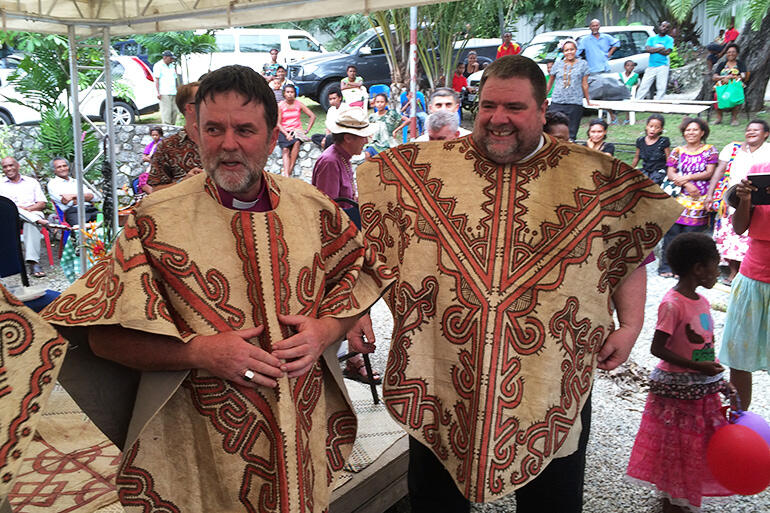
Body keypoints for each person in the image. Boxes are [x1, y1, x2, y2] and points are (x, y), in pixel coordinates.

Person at [41, 64, 393, 513]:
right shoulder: (153, 221)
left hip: (302, 429)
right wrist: (198, 352)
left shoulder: (314, 208)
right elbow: (100, 337)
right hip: (204, 444)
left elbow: (362, 274)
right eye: (214, 128)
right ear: (196, 132)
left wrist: (327, 330)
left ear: (271, 139)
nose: (228, 144)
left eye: (245, 129)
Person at [355, 55, 680, 513]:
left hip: (550, 374)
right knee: (435, 498)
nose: (498, 119)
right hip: (443, 369)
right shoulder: (419, 171)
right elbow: (378, 240)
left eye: (514, 107)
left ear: (542, 109)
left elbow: (627, 251)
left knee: (551, 502)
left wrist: (630, 325)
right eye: (488, 106)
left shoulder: (593, 177)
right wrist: (358, 309)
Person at [626, 232, 733, 513]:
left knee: (694, 446)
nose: (717, 270)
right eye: (715, 264)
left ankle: (682, 495)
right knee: (676, 445)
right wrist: (699, 368)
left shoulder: (702, 302)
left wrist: (719, 381)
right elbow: (657, 348)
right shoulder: (672, 304)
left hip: (701, 388)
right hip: (677, 392)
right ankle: (672, 500)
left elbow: (704, 345)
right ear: (698, 268)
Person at [718, 162, 770, 411]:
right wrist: (745, 198)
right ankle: (738, 420)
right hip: (751, 280)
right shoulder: (761, 170)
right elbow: (739, 228)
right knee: (738, 357)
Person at [705, 120, 770, 284]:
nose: (751, 132)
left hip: (762, 201)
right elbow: (720, 171)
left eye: (756, 130)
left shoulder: (768, 151)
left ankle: (743, 271)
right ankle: (734, 272)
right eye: (749, 129)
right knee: (731, 235)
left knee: (751, 237)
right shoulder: (733, 149)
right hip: (734, 198)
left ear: (766, 134)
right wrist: (710, 193)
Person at [658, 117, 718, 278]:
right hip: (679, 197)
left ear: (702, 132)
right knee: (672, 233)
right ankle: (666, 266)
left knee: (691, 237)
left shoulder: (710, 150)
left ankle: (683, 269)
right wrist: (687, 184)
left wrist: (687, 178)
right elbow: (671, 173)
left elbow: (709, 172)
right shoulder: (677, 151)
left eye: (695, 130)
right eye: (687, 130)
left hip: (699, 200)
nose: (690, 133)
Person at [147, 82, 203, 189]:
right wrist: (183, 182)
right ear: (190, 108)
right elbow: (155, 191)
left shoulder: (223, 141)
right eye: (205, 102)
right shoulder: (167, 146)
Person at [0, 157, 48, 278]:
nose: (8, 169)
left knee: (31, 222)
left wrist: (27, 210)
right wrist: (16, 209)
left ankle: (33, 262)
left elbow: (42, 203)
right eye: (5, 167)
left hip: (32, 212)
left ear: (18, 166)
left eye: (11, 165)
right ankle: (38, 220)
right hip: (8, 218)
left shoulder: (31, 182)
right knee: (12, 209)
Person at [546, 38, 593, 141]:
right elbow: (550, 82)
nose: (569, 52)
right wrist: (543, 97)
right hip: (557, 102)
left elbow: (584, 84)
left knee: (571, 134)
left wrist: (588, 101)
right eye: (566, 50)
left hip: (574, 103)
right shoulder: (557, 64)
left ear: (576, 50)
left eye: (572, 49)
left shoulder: (583, 64)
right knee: (552, 131)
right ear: (563, 52)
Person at [277, 83, 315, 177]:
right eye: (288, 92)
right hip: (284, 130)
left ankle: (290, 170)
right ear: (284, 94)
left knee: (297, 143)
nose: (290, 94)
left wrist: (307, 130)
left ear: (295, 93)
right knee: (285, 149)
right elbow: (277, 123)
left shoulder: (299, 104)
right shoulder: (280, 105)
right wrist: (286, 134)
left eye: (292, 92)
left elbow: (312, 116)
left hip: (296, 130)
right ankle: (286, 173)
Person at [46, 157, 99, 225]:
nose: (63, 169)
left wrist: (73, 196)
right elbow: (67, 202)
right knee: (82, 231)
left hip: (91, 209)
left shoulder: (76, 181)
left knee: (109, 223)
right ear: (54, 170)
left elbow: (95, 197)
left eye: (64, 166)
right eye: (59, 167)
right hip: (74, 212)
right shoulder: (53, 184)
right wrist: (87, 198)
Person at [636, 21, 674, 101]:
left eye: (667, 27)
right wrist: (661, 48)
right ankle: (638, 102)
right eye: (663, 26)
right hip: (651, 66)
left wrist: (654, 49)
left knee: (661, 87)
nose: (664, 28)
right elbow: (648, 49)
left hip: (663, 66)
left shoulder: (669, 39)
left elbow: (667, 52)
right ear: (660, 26)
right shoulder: (652, 38)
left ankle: (659, 104)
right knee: (644, 85)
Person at [712, 43, 748, 126]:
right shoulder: (722, 64)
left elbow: (743, 75)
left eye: (733, 52)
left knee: (736, 94)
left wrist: (733, 77)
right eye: (728, 52)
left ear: (737, 53)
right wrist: (724, 77)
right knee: (716, 95)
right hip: (722, 85)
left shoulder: (740, 64)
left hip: (735, 85)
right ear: (726, 54)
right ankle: (719, 118)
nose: (731, 54)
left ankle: (734, 118)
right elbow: (714, 77)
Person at [631, 114, 671, 185]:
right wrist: (629, 171)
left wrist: (670, 173)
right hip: (646, 171)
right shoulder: (640, 141)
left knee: (651, 184)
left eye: (657, 127)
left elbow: (669, 159)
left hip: (659, 172)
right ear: (647, 126)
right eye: (651, 126)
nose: (653, 129)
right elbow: (636, 158)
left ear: (661, 129)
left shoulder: (663, 141)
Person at [153, 50, 178, 125]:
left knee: (174, 111)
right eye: (170, 58)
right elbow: (157, 80)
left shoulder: (172, 66)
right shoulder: (158, 66)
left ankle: (173, 127)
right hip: (164, 92)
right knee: (166, 112)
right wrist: (158, 92)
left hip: (173, 92)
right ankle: (167, 128)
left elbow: (175, 78)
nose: (172, 60)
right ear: (165, 57)